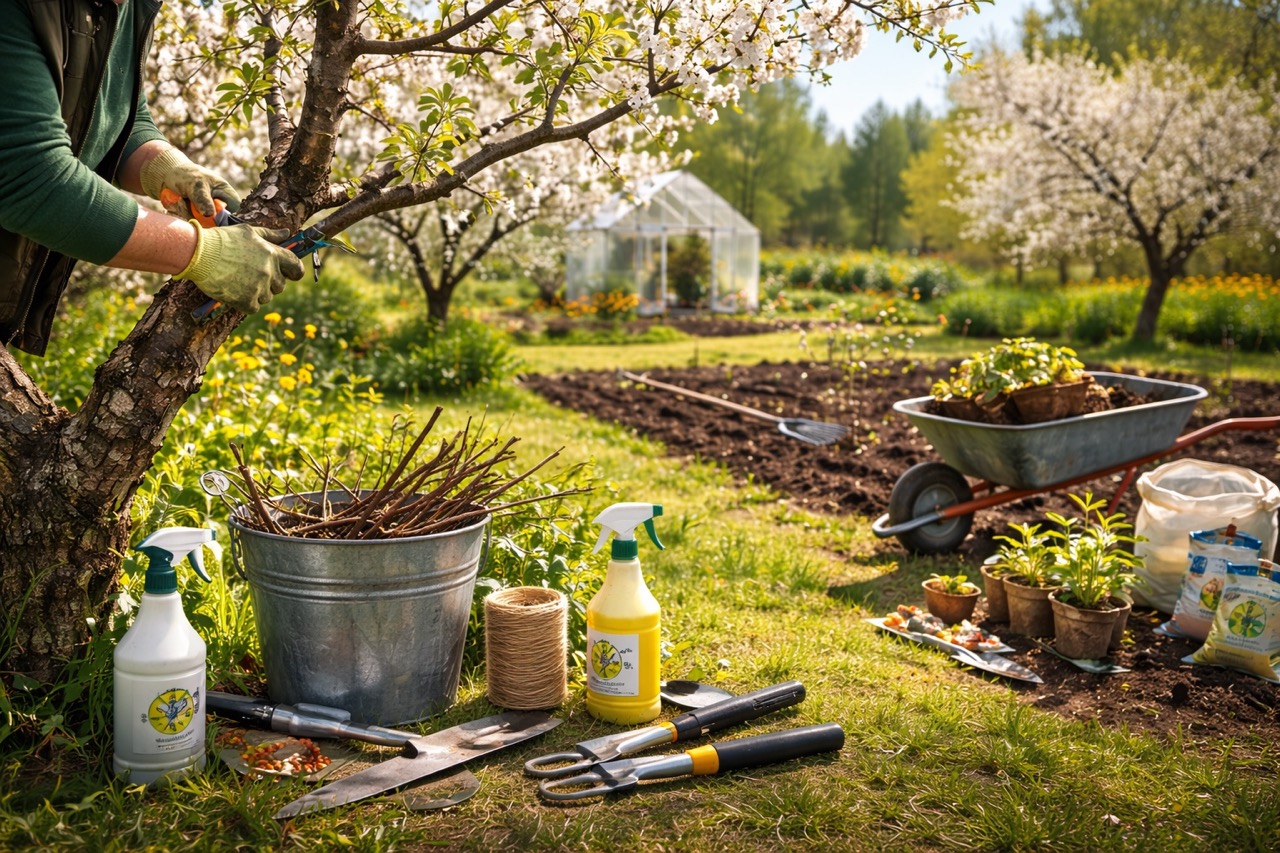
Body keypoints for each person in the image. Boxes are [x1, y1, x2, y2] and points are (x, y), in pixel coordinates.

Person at [0, 0, 304, 356]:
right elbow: (30, 177)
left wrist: (167, 166)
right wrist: (201, 252)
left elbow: (115, 113)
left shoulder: (131, 8)